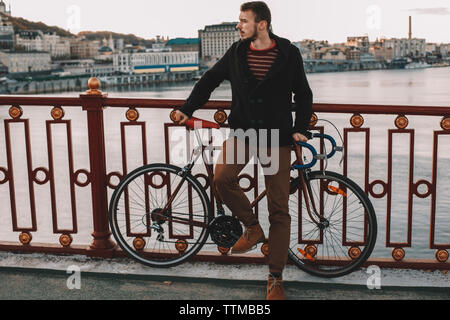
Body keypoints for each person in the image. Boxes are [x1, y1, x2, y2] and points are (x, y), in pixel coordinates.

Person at [173, 1, 313, 300]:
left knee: (279, 208)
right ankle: (251, 227)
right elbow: (209, 80)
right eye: (239, 21)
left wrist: (301, 126)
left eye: (243, 21)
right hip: (243, 132)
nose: (239, 25)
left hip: (277, 138)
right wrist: (187, 108)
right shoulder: (236, 52)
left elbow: (303, 93)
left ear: (262, 24)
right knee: (222, 178)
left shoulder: (289, 53)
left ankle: (275, 277)